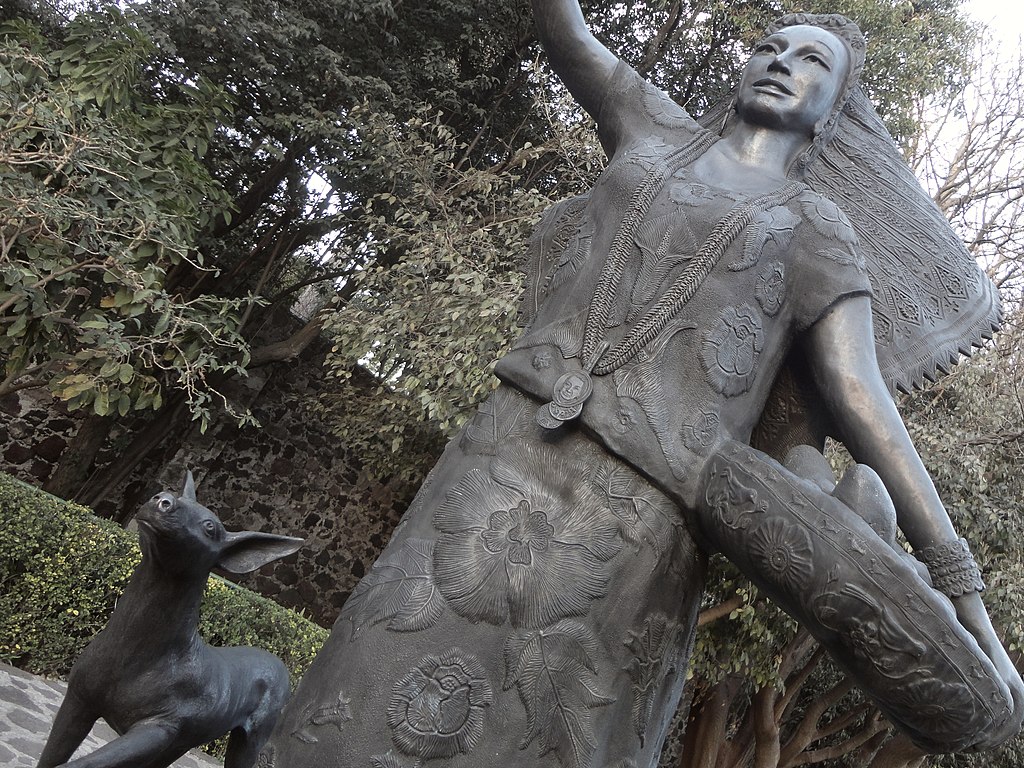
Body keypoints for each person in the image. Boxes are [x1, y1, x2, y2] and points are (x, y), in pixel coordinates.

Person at [265, 5, 1023, 767]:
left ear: (834, 112)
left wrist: (962, 595)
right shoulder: (653, 125)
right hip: (502, 451)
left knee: (553, 723)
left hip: (641, 518)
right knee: (368, 687)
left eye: (812, 62)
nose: (782, 61)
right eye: (768, 46)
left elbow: (862, 399)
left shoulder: (818, 228)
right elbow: (566, 31)